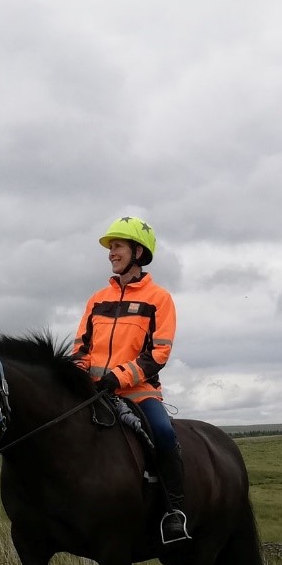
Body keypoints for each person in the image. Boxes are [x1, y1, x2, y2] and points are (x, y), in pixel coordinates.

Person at [73, 216, 191, 544]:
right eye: (110, 248)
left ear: (138, 252)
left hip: (138, 392)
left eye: (118, 246)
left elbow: (158, 354)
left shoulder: (159, 299)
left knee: (165, 434)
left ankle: (174, 512)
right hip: (93, 392)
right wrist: (80, 375)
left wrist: (119, 377)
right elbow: (80, 347)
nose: (111, 253)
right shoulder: (96, 299)